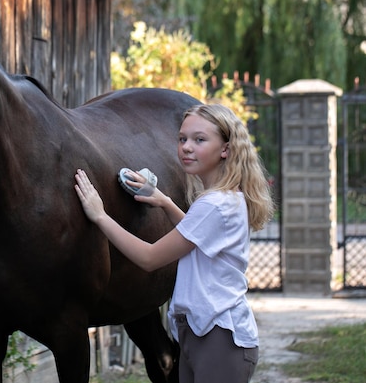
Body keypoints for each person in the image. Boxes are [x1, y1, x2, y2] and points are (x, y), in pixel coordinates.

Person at [74, 103, 274, 383]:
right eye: (183, 139)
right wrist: (164, 201)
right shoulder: (223, 199)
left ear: (225, 149)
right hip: (202, 336)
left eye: (199, 139)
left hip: (219, 342)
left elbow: (150, 258)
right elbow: (197, 237)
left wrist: (100, 216)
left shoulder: (215, 205)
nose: (187, 147)